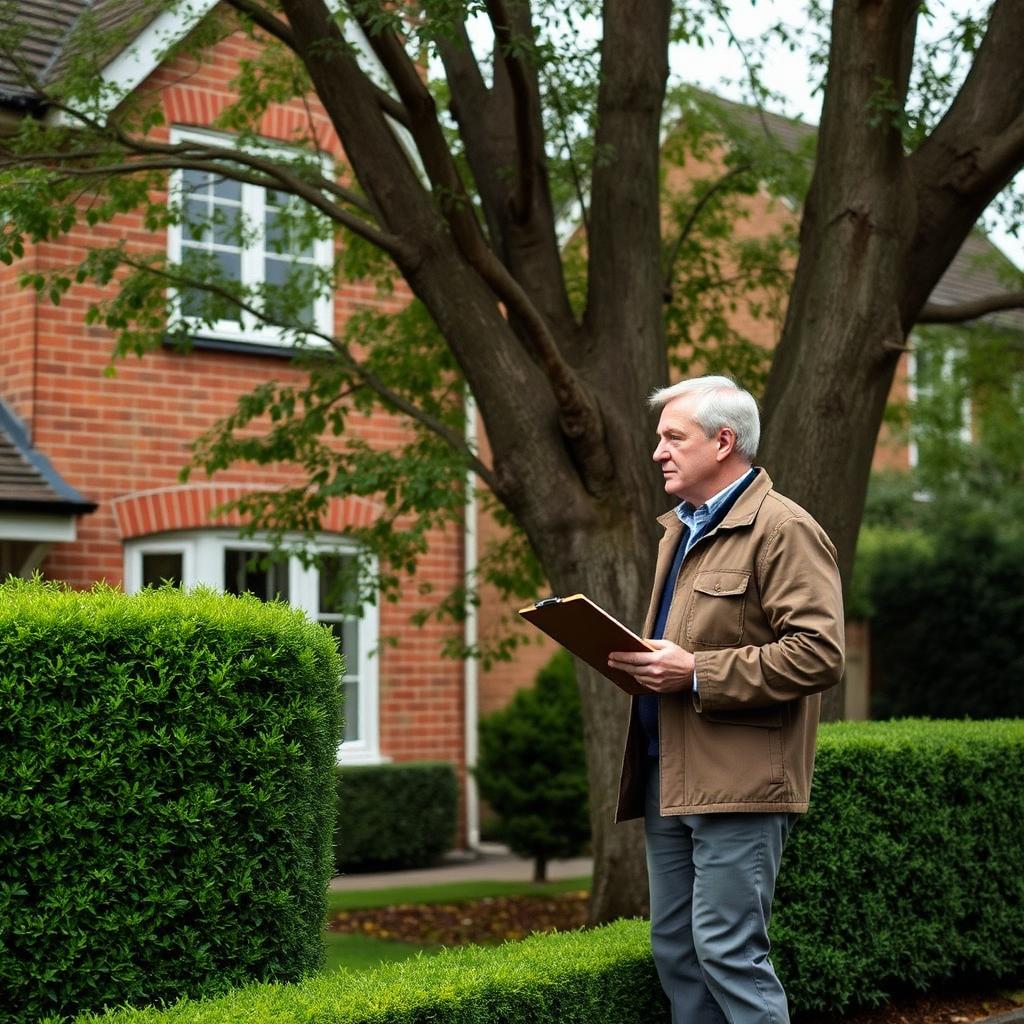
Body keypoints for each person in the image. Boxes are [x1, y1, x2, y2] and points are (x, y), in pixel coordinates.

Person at [608, 375, 845, 1024]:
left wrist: (695, 673)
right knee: (677, 953)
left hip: (739, 784)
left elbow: (820, 653)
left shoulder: (782, 528)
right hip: (669, 777)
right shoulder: (677, 531)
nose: (658, 451)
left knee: (728, 954)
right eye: (659, 438)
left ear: (723, 441)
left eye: (673, 437)